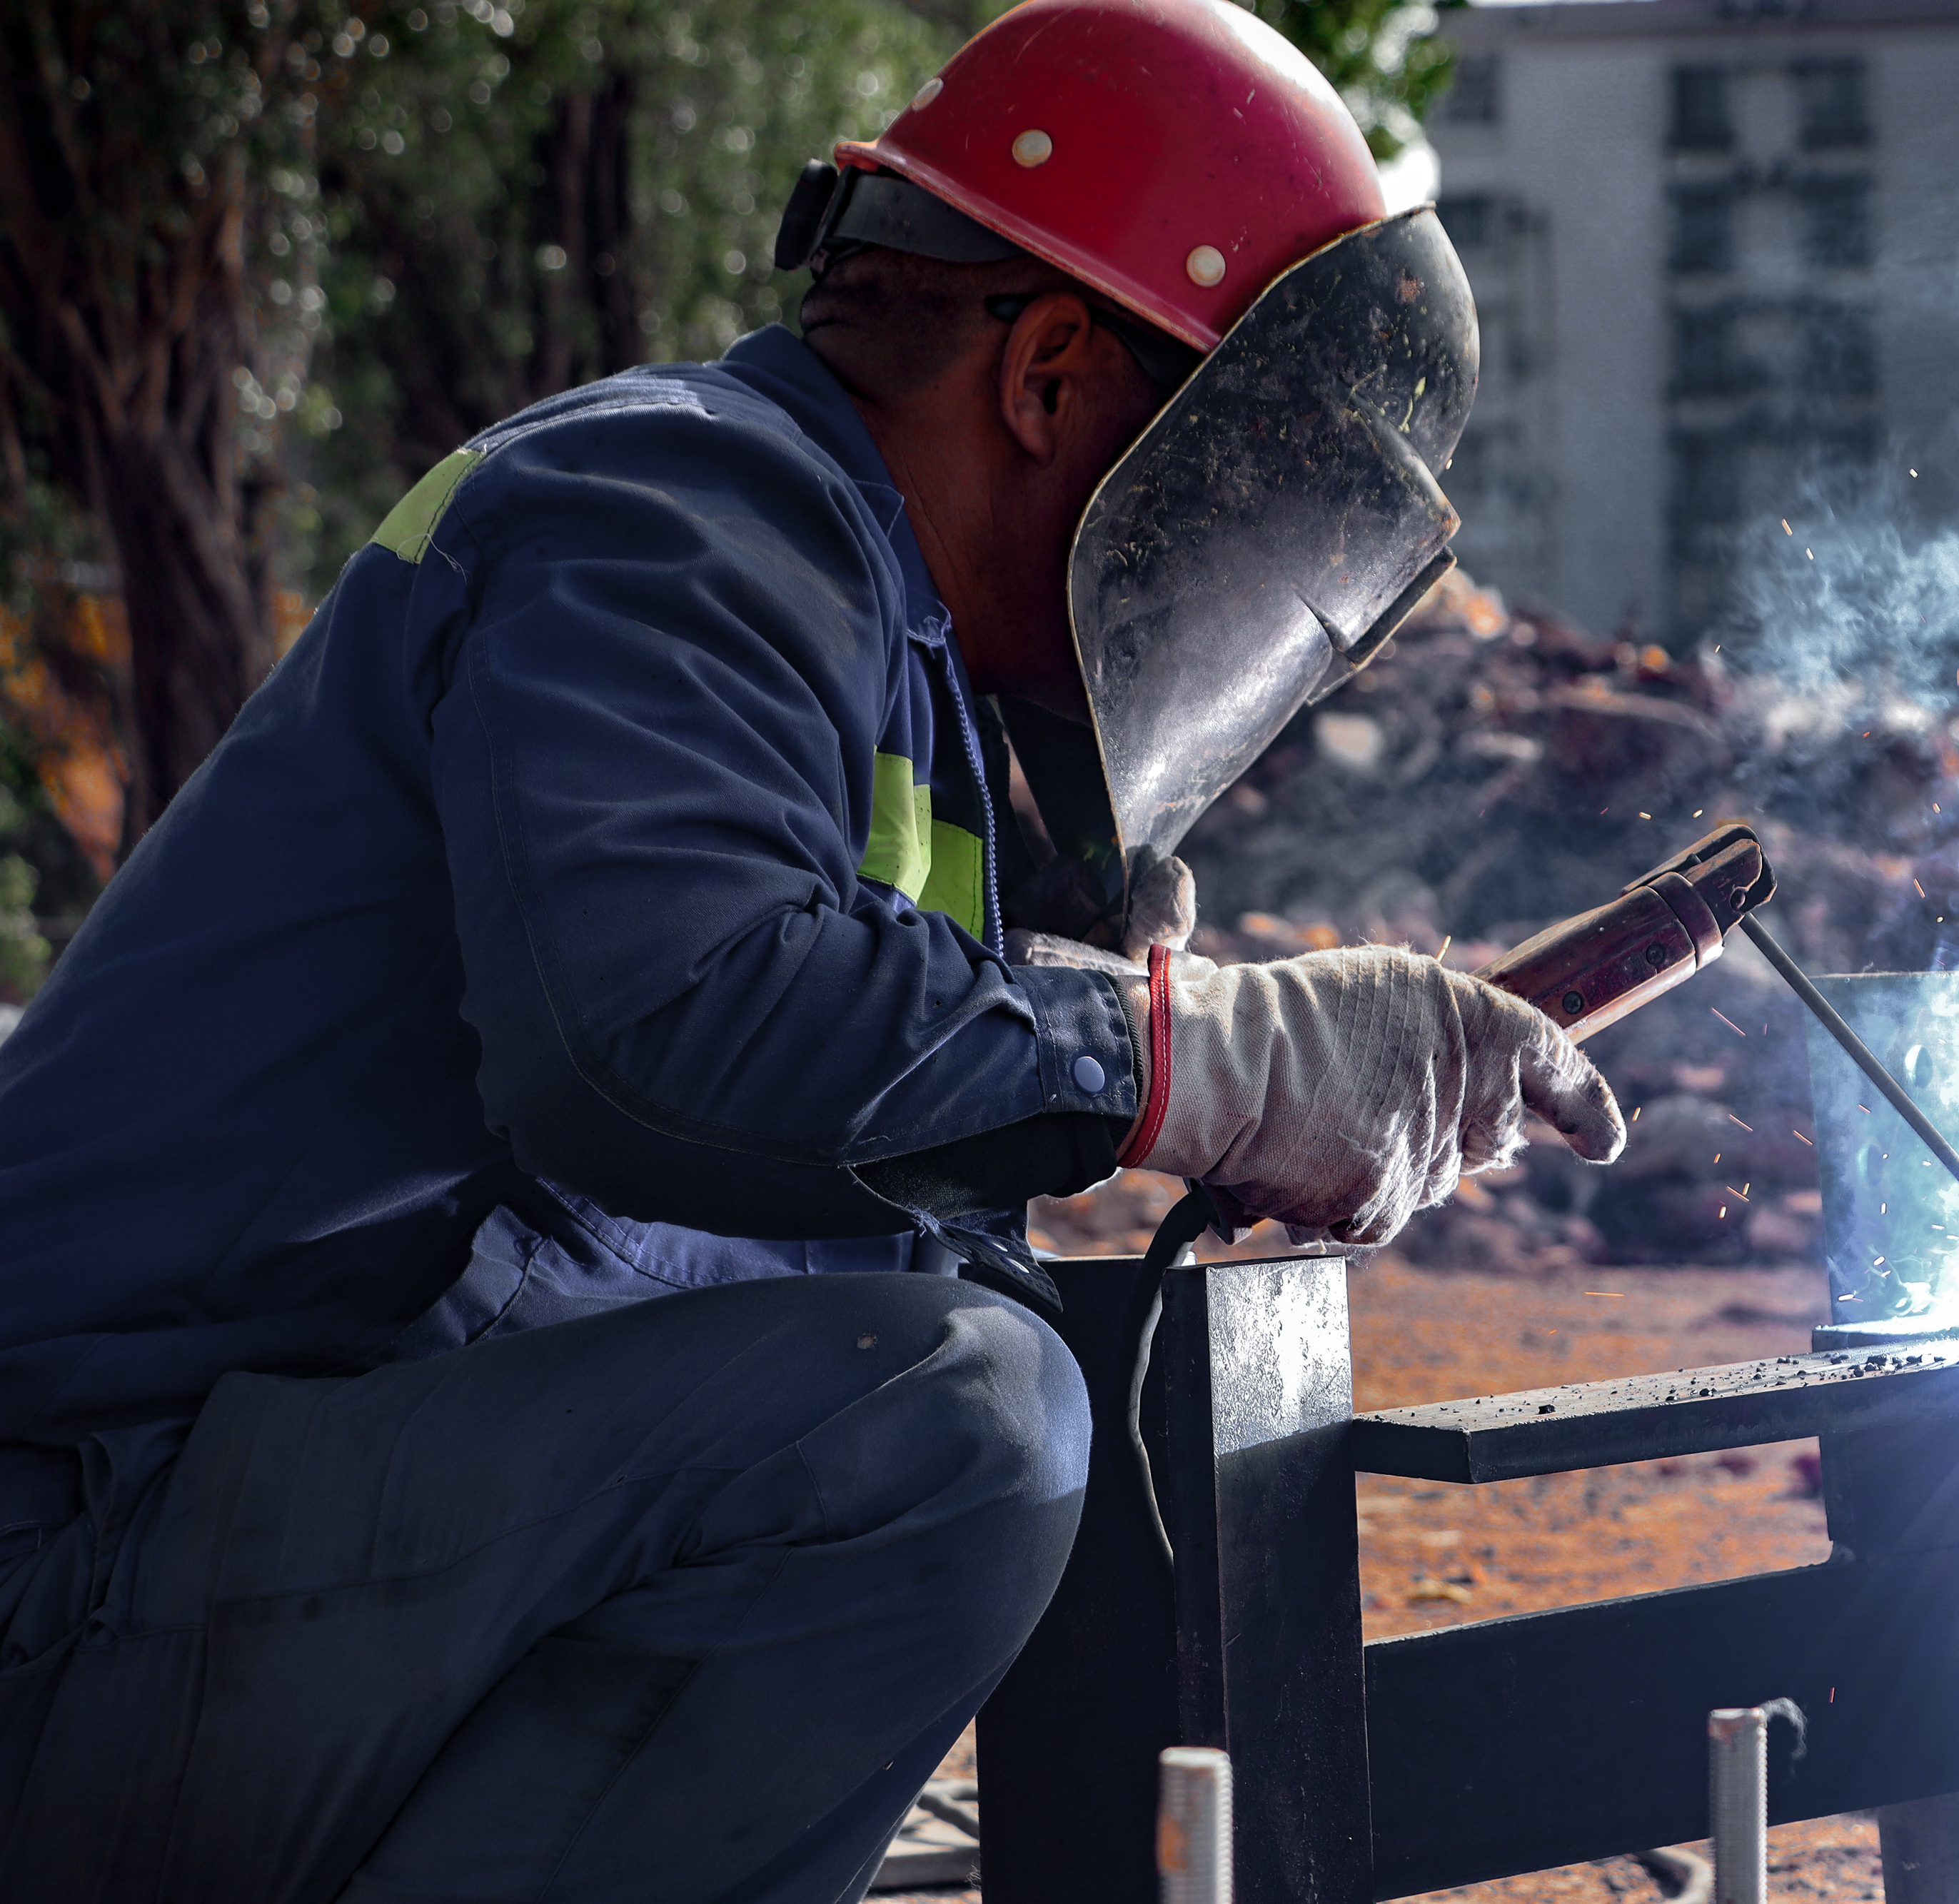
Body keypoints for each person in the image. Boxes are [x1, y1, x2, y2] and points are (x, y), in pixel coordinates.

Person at [0, 1, 1621, 1895]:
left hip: (217, 1556)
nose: (1222, 565)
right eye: (1227, 479)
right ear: (1046, 375)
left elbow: (764, 1173)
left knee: (959, 1371)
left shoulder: (861, 654)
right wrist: (1189, 1058)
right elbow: (658, 1027)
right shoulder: (680, 509)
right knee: (953, 1423)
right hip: (82, 1564)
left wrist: (1063, 1020)